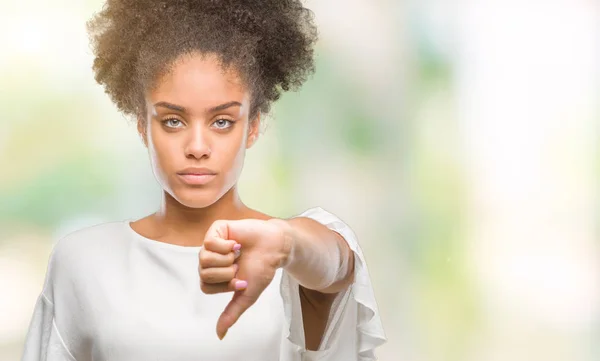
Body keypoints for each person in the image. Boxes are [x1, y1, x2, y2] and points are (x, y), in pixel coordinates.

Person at [20, 1, 386, 360]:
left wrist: (285, 243)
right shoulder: (83, 261)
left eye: (222, 121)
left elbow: (336, 264)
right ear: (142, 126)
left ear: (253, 127)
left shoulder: (289, 255)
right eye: (173, 121)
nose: (197, 147)